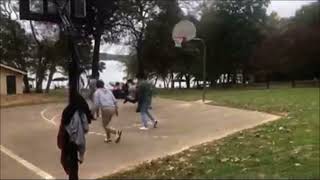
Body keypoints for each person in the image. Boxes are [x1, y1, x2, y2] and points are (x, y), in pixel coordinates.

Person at [57, 92, 94, 180]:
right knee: (73, 168)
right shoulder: (80, 112)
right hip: (73, 142)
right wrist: (81, 155)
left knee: (68, 165)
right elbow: (85, 129)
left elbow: (63, 126)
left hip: (66, 140)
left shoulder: (67, 110)